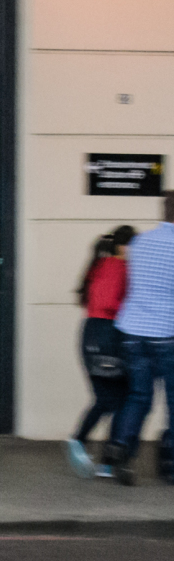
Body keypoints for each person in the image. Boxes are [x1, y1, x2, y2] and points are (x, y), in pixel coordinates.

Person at [105, 192, 174, 486]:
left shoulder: (141, 242)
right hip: (165, 333)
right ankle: (169, 464)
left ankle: (120, 448)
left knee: (138, 396)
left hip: (132, 331)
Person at [65, 225, 135, 479]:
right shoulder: (119, 267)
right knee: (117, 399)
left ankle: (104, 460)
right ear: (123, 246)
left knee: (115, 399)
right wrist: (130, 309)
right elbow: (108, 302)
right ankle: (82, 442)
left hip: (93, 335)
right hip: (106, 335)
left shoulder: (101, 264)